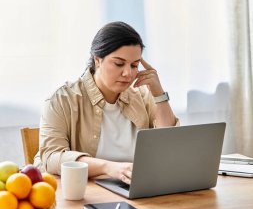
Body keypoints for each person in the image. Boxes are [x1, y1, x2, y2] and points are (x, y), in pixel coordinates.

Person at [34, 21, 179, 184]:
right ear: (97, 60)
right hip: (87, 194)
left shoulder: (143, 96)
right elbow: (51, 157)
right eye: (119, 64)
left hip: (138, 189)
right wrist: (110, 168)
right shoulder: (62, 99)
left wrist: (159, 93)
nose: (128, 73)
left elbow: (170, 146)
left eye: (134, 65)